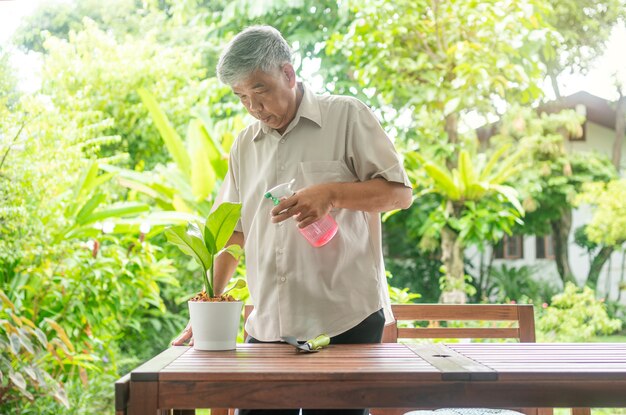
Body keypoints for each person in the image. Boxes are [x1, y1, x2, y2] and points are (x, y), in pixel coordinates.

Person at [172, 25, 413, 415]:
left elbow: (400, 194)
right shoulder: (244, 145)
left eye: (260, 90)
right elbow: (233, 231)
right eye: (241, 97)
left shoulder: (345, 116)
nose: (253, 107)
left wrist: (332, 193)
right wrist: (209, 304)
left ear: (288, 73)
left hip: (343, 317)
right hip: (268, 323)